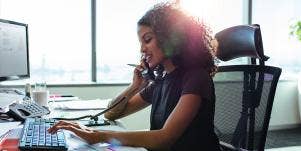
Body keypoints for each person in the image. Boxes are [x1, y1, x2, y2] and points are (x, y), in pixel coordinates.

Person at [48, 2, 221, 151]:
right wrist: (134, 87)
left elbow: (165, 138)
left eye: (147, 40)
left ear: (168, 38)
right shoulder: (161, 81)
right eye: (141, 43)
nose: (142, 49)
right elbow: (112, 114)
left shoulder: (196, 78)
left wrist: (97, 136)